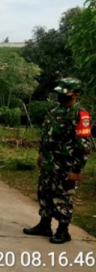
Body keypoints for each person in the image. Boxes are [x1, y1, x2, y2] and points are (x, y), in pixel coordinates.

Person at [23, 78, 92, 244]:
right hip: (49, 162)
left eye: (64, 93)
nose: (60, 96)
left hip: (66, 164)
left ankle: (63, 230)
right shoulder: (55, 110)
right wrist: (41, 154)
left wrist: (77, 170)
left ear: (75, 94)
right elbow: (46, 134)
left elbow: (84, 146)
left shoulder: (80, 114)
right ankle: (44, 225)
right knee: (45, 192)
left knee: (62, 197)